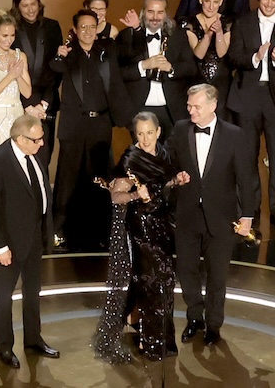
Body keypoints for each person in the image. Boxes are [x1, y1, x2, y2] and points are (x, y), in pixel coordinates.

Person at [168, 84, 258, 344]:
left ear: (212, 106)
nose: (191, 111)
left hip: (221, 217)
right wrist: (175, 177)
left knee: (217, 275)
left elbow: (245, 178)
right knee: (186, 271)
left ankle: (213, 325)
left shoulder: (234, 135)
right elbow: (169, 162)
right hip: (187, 214)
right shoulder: (180, 129)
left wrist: (248, 216)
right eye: (189, 106)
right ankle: (194, 317)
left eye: (196, 106)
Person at [91, 112, 178, 363]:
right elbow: (116, 197)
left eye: (150, 132)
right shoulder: (131, 158)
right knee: (151, 284)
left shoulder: (163, 154)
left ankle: (160, 339)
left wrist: (176, 180)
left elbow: (164, 183)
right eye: (140, 133)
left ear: (158, 132)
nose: (146, 138)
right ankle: (150, 342)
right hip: (141, 228)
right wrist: (137, 196)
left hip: (162, 224)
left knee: (166, 282)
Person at [0, 113, 58, 368]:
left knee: (32, 292)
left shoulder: (34, 154)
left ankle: (33, 339)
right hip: (11, 244)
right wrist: (0, 247)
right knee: (4, 297)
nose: (42, 144)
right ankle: (4, 346)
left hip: (34, 237)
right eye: (36, 140)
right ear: (20, 138)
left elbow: (41, 192)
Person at [49, 8, 119, 248]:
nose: (88, 31)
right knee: (68, 178)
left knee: (99, 178)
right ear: (76, 30)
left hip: (100, 124)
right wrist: (60, 54)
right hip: (74, 125)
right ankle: (58, 229)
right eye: (83, 27)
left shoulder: (105, 52)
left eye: (92, 26)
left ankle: (100, 229)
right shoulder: (68, 55)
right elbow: (54, 68)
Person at [230, 0, 275, 229]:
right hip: (247, 96)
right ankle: (250, 209)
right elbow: (235, 57)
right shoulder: (243, 22)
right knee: (248, 157)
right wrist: (256, 57)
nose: (269, 4)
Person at [117, 0, 192, 134]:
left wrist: (171, 68)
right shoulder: (127, 36)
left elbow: (191, 68)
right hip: (139, 109)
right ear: (143, 12)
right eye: (151, 12)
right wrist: (143, 66)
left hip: (172, 111)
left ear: (166, 14)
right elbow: (118, 73)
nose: (155, 17)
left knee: (170, 155)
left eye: (160, 12)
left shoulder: (178, 35)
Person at [11, 0, 64, 162]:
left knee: (44, 154)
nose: (30, 9)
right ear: (17, 7)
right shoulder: (12, 29)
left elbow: (56, 67)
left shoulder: (52, 27)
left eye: (33, 4)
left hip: (46, 101)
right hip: (20, 101)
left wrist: (43, 104)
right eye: (25, 6)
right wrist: (28, 105)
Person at [0, 10, 36, 162]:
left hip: (17, 117)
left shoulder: (19, 56)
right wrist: (10, 76)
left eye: (12, 35)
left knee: (17, 166)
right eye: (4, 35)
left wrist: (17, 76)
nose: (8, 40)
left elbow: (28, 92)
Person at [183, 0, 233, 105]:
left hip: (221, 81)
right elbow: (199, 54)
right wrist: (208, 34)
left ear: (221, 1)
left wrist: (219, 32)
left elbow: (222, 52)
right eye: (207, 1)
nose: (211, 7)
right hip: (197, 79)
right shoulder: (189, 23)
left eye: (215, 2)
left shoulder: (227, 22)